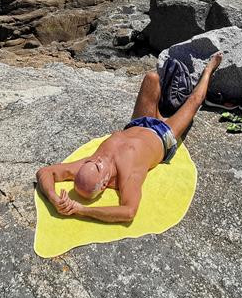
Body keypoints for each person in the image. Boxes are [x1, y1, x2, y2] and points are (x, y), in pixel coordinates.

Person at [36, 52, 223, 223]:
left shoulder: (89, 165)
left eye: (92, 162)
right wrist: (82, 210)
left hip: (137, 124)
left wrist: (53, 198)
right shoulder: (128, 175)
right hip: (163, 134)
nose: (98, 159)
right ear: (103, 184)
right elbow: (128, 211)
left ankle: (165, 102)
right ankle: (208, 71)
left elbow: (45, 172)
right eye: (99, 166)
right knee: (193, 102)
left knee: (151, 78)